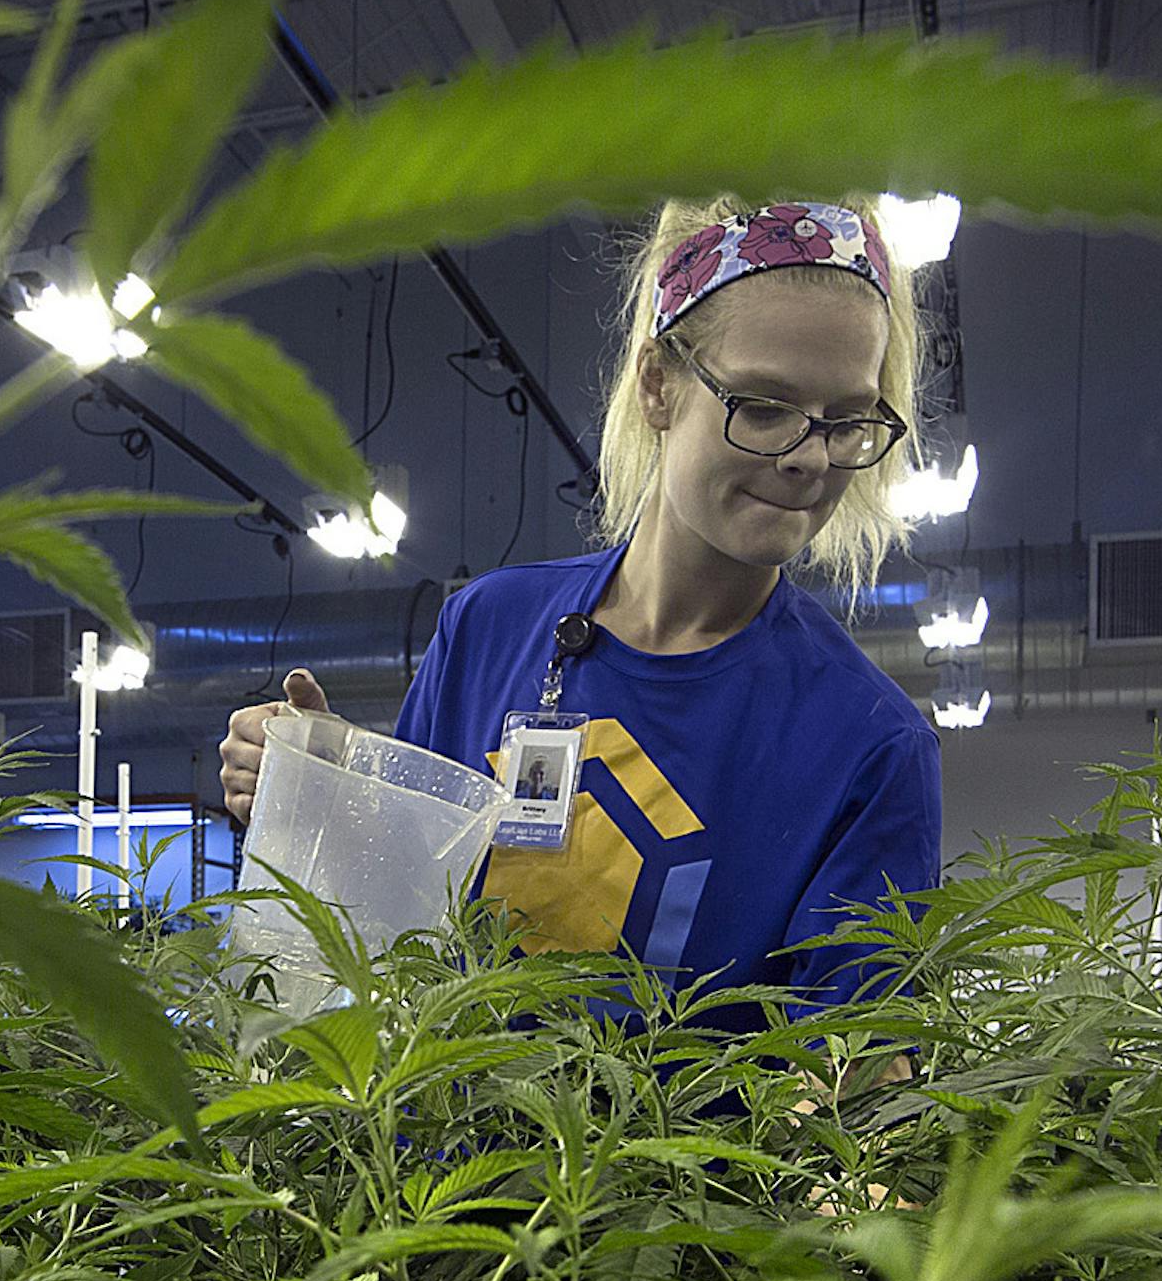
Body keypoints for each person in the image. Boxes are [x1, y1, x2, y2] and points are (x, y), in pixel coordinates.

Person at [220, 193, 941, 1054]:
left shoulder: (870, 745)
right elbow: (394, 940)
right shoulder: (488, 629)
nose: (808, 457)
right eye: (765, 406)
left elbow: (851, 1083)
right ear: (659, 386)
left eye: (847, 419)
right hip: (425, 1186)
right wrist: (320, 790)